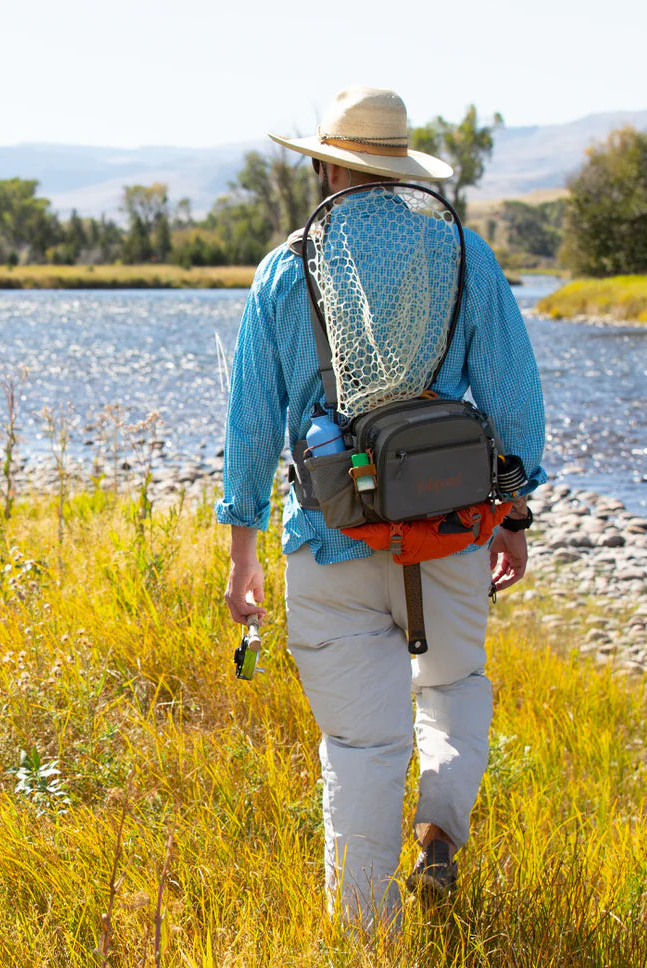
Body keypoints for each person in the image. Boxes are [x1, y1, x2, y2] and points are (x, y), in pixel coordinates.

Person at [215, 86, 546, 930]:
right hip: (450, 535)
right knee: (456, 687)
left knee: (362, 749)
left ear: (327, 167)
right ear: (399, 167)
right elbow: (516, 404)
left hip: (329, 540)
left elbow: (253, 423)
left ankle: (367, 937)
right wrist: (513, 516)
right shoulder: (464, 254)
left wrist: (242, 551)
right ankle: (439, 825)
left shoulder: (287, 269)